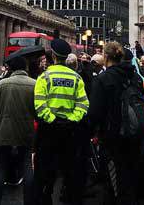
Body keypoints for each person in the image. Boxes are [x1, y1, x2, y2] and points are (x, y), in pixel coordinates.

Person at [89, 41, 144, 205]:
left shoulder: (103, 78)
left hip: (113, 136)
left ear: (106, 57)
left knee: (113, 181)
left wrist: (93, 132)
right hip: (134, 134)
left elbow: (95, 112)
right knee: (131, 177)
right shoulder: (135, 77)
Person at [33, 39, 88, 205]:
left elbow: (39, 104)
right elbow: (83, 104)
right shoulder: (76, 78)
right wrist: (71, 120)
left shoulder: (45, 77)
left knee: (45, 171)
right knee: (69, 170)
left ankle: (45, 198)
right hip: (70, 131)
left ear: (53, 56)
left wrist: (52, 120)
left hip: (48, 131)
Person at [0, 49, 36, 205]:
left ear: (12, 69)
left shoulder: (2, 84)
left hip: (4, 131)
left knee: (1, 167)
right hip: (26, 131)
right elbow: (38, 110)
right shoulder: (34, 84)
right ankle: (28, 200)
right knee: (27, 165)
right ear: (25, 68)